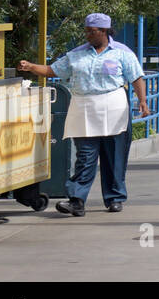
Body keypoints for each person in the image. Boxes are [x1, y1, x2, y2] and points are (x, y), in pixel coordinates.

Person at [19, 13, 148, 216]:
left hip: (114, 108)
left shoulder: (122, 53)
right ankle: (77, 200)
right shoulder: (77, 54)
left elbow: (137, 77)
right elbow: (53, 71)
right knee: (85, 157)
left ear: (104, 32)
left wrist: (143, 101)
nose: (87, 35)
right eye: (86, 30)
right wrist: (31, 67)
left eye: (92, 31)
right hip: (84, 108)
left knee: (114, 156)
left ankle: (114, 198)